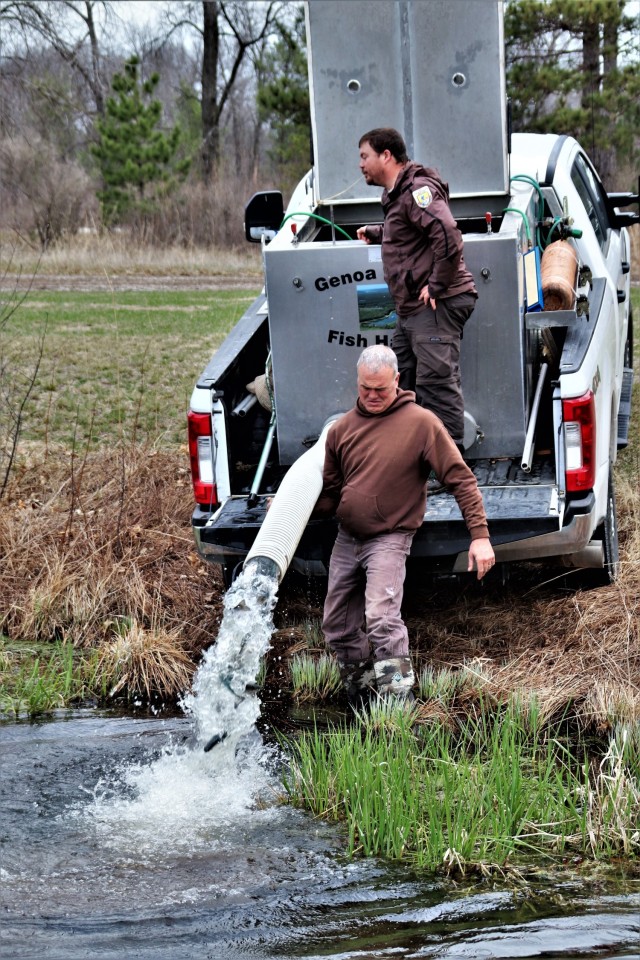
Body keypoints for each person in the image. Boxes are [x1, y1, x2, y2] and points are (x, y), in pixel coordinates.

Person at [315, 345, 494, 706]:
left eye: (380, 389)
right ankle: (362, 695)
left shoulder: (421, 423)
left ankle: (398, 702)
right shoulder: (342, 430)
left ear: (397, 380)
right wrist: (290, 507)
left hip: (390, 538)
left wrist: (480, 537)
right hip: (347, 538)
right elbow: (332, 494)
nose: (372, 396)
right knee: (337, 626)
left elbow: (461, 479)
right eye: (366, 388)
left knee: (381, 619)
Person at [357, 127, 477, 452]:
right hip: (411, 310)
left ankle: (449, 466)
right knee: (399, 379)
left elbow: (448, 233)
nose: (360, 164)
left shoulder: (417, 190)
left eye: (364, 156)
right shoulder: (399, 195)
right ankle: (406, 456)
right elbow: (412, 232)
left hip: (436, 304)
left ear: (386, 155)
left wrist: (436, 285)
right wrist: (379, 232)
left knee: (437, 385)